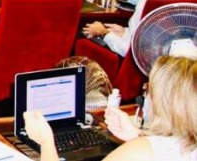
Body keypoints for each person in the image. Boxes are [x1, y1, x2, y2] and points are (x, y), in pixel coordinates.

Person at [24, 55, 197, 161]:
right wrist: (136, 135)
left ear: (164, 101)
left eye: (148, 89)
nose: (145, 95)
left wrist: (46, 142)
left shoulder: (140, 150)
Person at [82, 0, 180, 57]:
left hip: (146, 58)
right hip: (172, 56)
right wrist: (124, 31)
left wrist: (104, 33)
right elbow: (151, 33)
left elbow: (128, 50)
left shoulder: (144, 6)